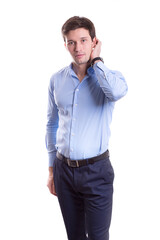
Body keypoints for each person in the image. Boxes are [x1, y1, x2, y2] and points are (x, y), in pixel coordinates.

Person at [46, 16, 128, 240]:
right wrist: (52, 170)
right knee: (74, 236)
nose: (77, 48)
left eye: (83, 40)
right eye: (71, 42)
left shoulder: (109, 79)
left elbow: (117, 93)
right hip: (63, 170)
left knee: (98, 237)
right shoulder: (56, 80)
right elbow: (51, 124)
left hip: (96, 171)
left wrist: (97, 61)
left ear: (94, 42)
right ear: (65, 45)